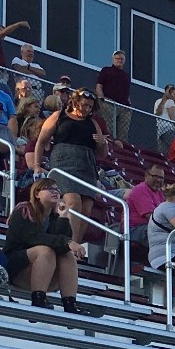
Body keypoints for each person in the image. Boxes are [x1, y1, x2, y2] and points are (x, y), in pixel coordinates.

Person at [32, 88, 110, 245]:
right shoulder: (58, 116)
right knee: (73, 202)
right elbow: (41, 141)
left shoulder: (93, 123)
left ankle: (76, 246)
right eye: (84, 105)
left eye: (90, 107)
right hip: (63, 162)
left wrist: (103, 142)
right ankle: (71, 245)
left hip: (87, 165)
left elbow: (103, 153)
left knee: (86, 210)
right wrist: (36, 165)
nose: (87, 109)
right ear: (75, 102)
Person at [2, 177, 84, 312]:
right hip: (16, 269)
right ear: (36, 194)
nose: (55, 192)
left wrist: (63, 218)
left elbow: (62, 244)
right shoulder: (23, 210)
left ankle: (70, 304)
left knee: (67, 255)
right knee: (45, 250)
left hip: (44, 273)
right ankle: (38, 299)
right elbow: (33, 238)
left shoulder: (54, 217)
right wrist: (68, 242)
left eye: (57, 189)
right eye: (50, 188)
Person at [93, 50, 132, 142]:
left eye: (121, 59)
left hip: (124, 106)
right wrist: (101, 98)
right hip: (109, 102)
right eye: (117, 58)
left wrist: (129, 105)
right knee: (109, 127)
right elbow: (99, 85)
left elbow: (127, 92)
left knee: (123, 132)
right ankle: (109, 145)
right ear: (113, 60)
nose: (119, 60)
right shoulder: (106, 70)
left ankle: (122, 149)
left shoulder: (126, 76)